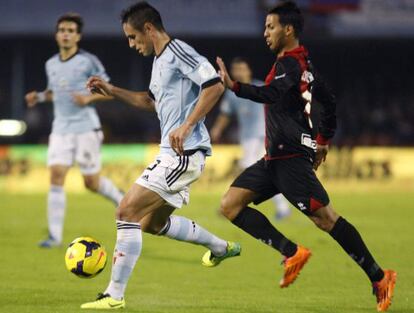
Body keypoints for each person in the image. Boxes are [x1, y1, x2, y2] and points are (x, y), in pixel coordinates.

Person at [216, 1, 396, 312]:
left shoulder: (290, 66)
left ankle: (380, 277)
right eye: (265, 27)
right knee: (230, 205)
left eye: (270, 27)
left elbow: (271, 95)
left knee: (326, 219)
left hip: (291, 160)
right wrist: (324, 140)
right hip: (274, 159)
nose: (265, 33)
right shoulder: (303, 65)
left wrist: (233, 86)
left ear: (288, 30)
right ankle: (291, 252)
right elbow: (329, 99)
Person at [81, 2, 240, 309]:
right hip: (175, 153)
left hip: (183, 152)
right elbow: (148, 101)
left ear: (149, 29)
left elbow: (215, 85)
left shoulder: (178, 51)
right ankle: (220, 247)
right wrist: (111, 90)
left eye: (132, 36)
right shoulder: (159, 61)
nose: (131, 44)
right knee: (149, 225)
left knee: (125, 211)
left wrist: (187, 124)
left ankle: (114, 296)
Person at [25, 13, 124, 248]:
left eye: (70, 30)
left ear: (78, 36)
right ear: (57, 35)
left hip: (86, 128)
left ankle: (121, 198)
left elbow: (110, 90)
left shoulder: (88, 61)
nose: (66, 34)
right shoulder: (50, 63)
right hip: (60, 129)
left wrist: (88, 98)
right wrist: (38, 96)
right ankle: (54, 237)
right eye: (62, 30)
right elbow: (54, 92)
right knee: (56, 176)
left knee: (91, 183)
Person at [210, 57, 291, 220]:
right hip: (248, 138)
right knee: (265, 173)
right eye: (235, 69)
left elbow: (280, 108)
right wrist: (217, 129)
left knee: (247, 170)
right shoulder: (232, 94)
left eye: (241, 68)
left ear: (249, 71)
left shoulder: (260, 87)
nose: (238, 72)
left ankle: (233, 204)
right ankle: (281, 208)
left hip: (263, 136)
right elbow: (226, 114)